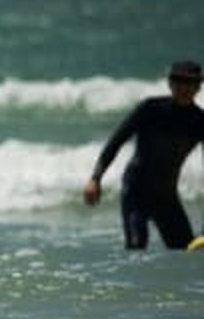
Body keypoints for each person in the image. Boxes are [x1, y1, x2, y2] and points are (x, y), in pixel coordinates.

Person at [84, 60, 204, 249]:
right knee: (136, 249)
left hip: (167, 198)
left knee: (187, 250)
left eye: (190, 82)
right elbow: (117, 140)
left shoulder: (200, 122)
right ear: (170, 83)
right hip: (136, 192)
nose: (183, 87)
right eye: (178, 81)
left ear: (198, 86)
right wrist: (95, 178)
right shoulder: (151, 109)